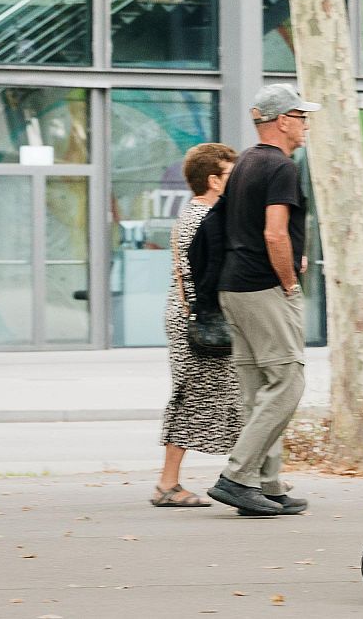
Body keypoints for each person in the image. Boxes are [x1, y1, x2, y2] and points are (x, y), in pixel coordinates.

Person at [206, 84, 319, 517]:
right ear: (282, 121)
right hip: (263, 288)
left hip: (233, 287)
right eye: (301, 116)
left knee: (258, 390)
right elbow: (274, 232)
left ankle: (265, 485)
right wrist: (289, 282)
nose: (305, 124)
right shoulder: (281, 167)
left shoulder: (244, 163)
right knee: (289, 381)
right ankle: (236, 477)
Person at [152, 143, 241, 507]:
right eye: (231, 176)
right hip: (199, 321)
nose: (236, 183)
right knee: (193, 398)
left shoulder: (200, 214)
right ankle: (167, 484)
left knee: (223, 398)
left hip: (193, 316)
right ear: (213, 181)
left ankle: (249, 477)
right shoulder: (202, 219)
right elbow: (206, 277)